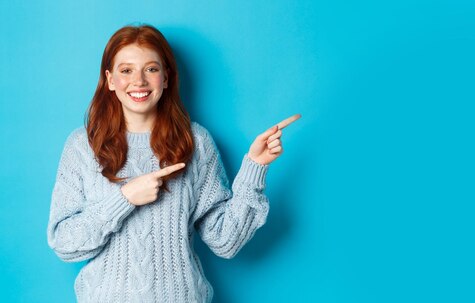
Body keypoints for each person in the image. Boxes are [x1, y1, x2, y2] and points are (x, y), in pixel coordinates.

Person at [46, 24, 300, 302]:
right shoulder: (83, 145)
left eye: (151, 69)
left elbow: (225, 241)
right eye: (126, 70)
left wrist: (255, 167)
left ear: (166, 77)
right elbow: (64, 243)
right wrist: (125, 198)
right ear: (109, 80)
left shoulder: (195, 142)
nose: (139, 81)